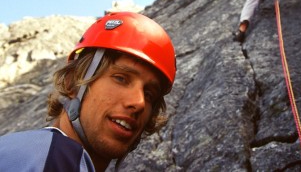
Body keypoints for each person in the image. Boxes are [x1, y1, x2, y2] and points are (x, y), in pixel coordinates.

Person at [0, 12, 176, 171]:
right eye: (121, 78)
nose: (139, 103)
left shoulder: (24, 152)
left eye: (149, 94)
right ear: (73, 82)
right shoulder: (56, 160)